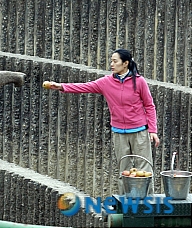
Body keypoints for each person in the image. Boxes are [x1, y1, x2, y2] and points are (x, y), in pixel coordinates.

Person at [47, 49, 160, 195]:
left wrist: (153, 130)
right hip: (119, 132)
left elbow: (149, 106)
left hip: (139, 131)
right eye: (111, 61)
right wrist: (61, 86)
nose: (112, 64)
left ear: (125, 63)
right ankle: (125, 204)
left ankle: (147, 203)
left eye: (115, 61)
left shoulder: (139, 82)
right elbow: (84, 87)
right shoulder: (106, 82)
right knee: (124, 171)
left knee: (144, 170)